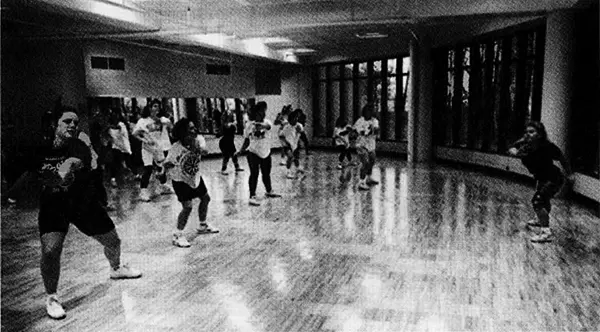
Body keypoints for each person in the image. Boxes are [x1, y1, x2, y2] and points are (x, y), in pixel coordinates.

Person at [25, 107, 141, 320]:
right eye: (67, 121)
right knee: (50, 251)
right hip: (54, 206)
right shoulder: (40, 149)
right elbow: (29, 175)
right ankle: (51, 297)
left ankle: (116, 268)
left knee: (113, 242)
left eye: (75, 123)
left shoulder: (79, 146)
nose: (72, 126)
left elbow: (73, 163)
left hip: (82, 204)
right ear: (55, 125)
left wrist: (56, 177)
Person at [508, 121, 573, 243]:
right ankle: (540, 220)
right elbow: (512, 148)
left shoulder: (547, 147)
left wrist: (569, 174)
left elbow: (562, 158)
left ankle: (546, 233)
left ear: (540, 134)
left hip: (554, 178)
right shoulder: (526, 146)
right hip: (541, 177)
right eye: (526, 132)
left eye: (532, 132)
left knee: (538, 202)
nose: (528, 134)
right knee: (544, 200)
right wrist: (521, 142)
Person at [164, 118, 218, 248]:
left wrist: (197, 148)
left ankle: (203, 225)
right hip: (180, 179)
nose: (194, 130)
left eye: (194, 128)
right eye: (191, 129)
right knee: (187, 206)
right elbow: (167, 163)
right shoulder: (175, 148)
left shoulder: (198, 140)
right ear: (183, 133)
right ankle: (177, 234)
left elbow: (205, 151)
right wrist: (163, 172)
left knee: (205, 198)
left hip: (194, 176)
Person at [239, 101, 281, 206]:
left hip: (266, 152)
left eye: (264, 112)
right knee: (254, 174)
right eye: (260, 113)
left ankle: (269, 191)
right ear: (256, 113)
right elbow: (247, 140)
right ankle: (252, 196)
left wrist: (259, 125)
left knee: (266, 173)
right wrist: (241, 150)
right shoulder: (249, 125)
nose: (263, 114)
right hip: (253, 152)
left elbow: (267, 126)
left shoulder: (267, 122)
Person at [132, 100, 172, 201]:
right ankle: (143, 191)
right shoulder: (143, 121)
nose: (156, 108)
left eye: (158, 106)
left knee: (161, 168)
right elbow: (135, 134)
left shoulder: (161, 120)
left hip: (158, 148)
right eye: (154, 106)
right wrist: (144, 140)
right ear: (150, 108)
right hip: (147, 149)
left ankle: (163, 186)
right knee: (148, 169)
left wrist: (167, 122)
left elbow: (171, 126)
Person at [353, 104, 380, 190]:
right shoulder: (360, 121)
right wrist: (362, 132)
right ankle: (361, 182)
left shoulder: (375, 121)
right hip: (361, 145)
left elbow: (376, 131)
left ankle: (368, 177)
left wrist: (372, 131)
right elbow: (356, 131)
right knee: (365, 163)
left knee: (372, 161)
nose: (369, 113)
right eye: (367, 111)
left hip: (371, 145)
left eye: (371, 111)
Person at [107, 108, 132, 187]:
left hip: (125, 147)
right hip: (116, 147)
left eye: (116, 115)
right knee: (114, 163)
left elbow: (123, 133)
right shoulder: (109, 128)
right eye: (113, 116)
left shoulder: (122, 125)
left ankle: (130, 174)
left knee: (127, 162)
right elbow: (108, 137)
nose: (115, 117)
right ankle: (113, 179)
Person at [280, 109, 306, 179]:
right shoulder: (286, 127)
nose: (296, 119)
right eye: (294, 118)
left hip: (295, 145)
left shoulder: (299, 125)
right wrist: (285, 143)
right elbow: (281, 136)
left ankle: (298, 170)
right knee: (290, 157)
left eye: (296, 118)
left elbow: (302, 133)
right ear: (290, 120)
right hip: (287, 145)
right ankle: (288, 172)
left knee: (296, 159)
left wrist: (299, 131)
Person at [219, 107, 243, 175]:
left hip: (230, 142)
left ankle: (237, 167)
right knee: (226, 156)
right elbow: (225, 127)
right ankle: (223, 169)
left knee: (234, 154)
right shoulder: (225, 125)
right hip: (224, 142)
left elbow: (234, 125)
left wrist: (233, 122)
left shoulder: (232, 124)